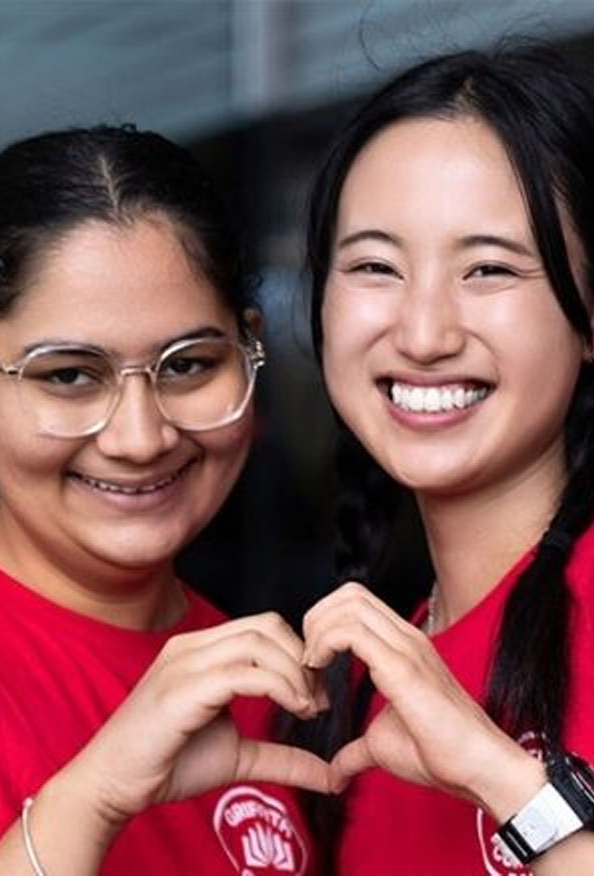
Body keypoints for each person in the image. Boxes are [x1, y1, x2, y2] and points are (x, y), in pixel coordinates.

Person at [0, 125, 327, 875]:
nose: (141, 437)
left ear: (248, 349)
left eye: (188, 365)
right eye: (70, 375)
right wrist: (93, 798)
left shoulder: (263, 678)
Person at [301, 44, 594, 874]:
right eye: (373, 267)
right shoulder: (361, 683)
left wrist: (504, 781)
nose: (424, 334)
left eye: (488, 269)